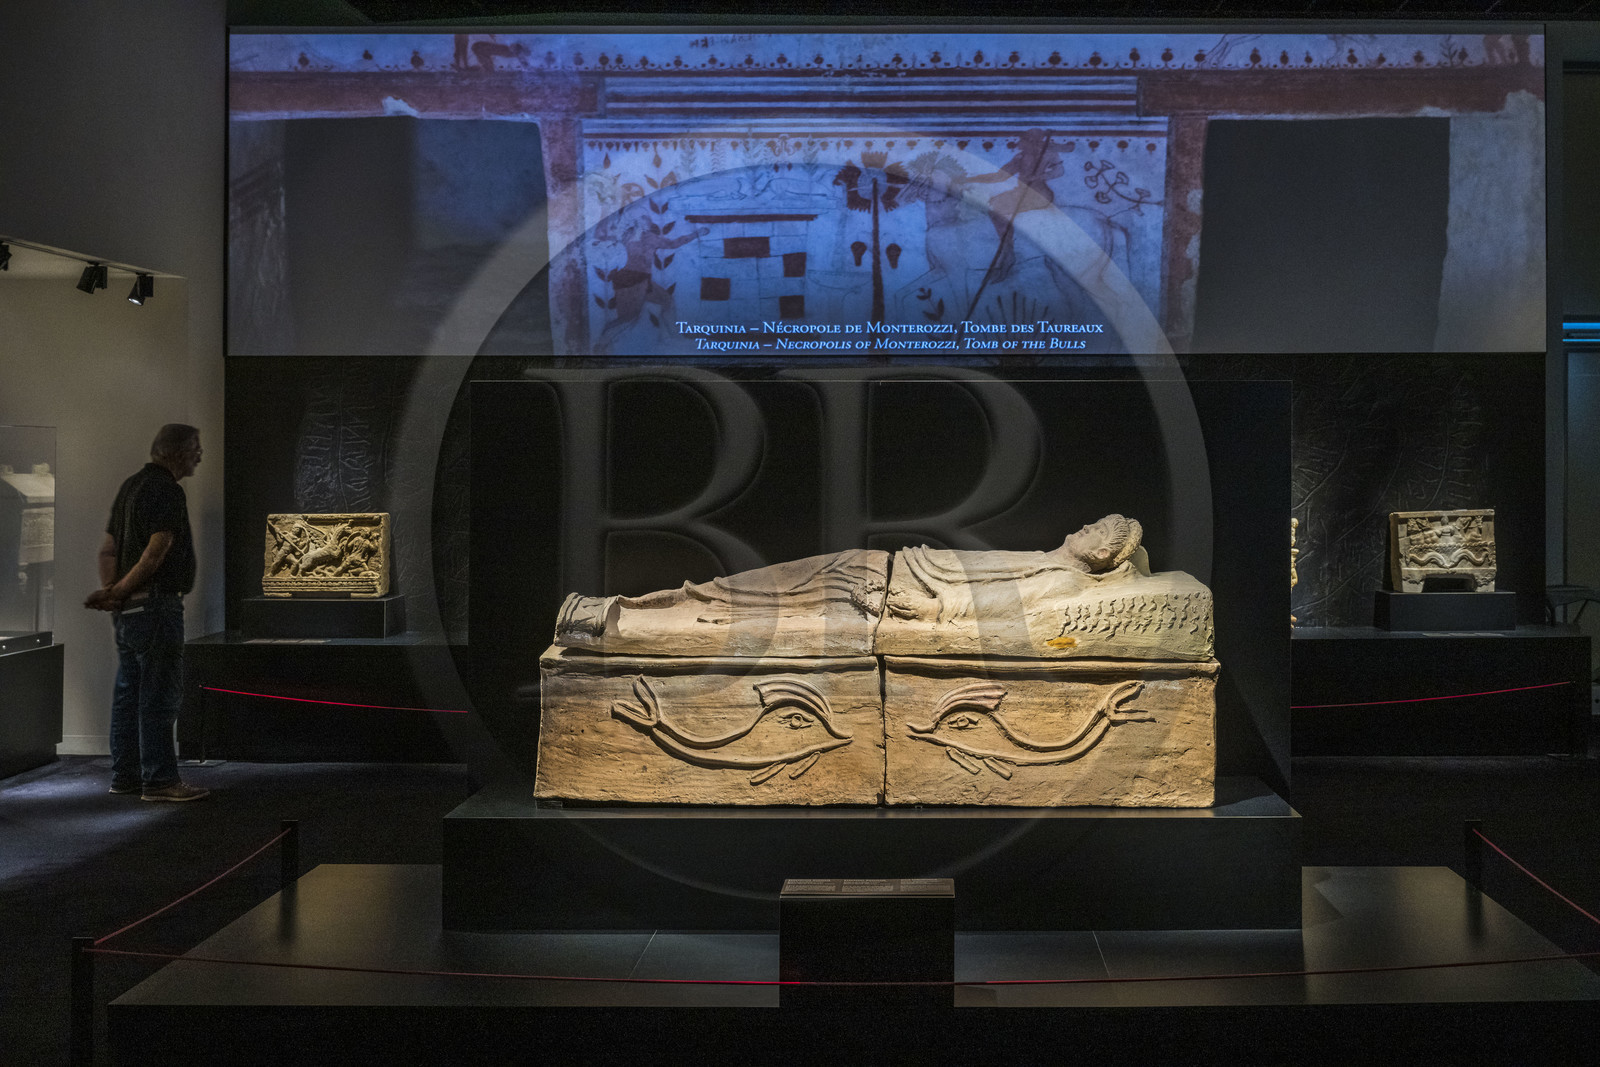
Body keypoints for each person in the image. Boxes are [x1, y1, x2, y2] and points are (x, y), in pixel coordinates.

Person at [84, 425, 210, 801]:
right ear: (177, 452)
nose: (200, 455)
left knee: (129, 694)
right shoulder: (166, 490)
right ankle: (159, 781)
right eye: (196, 448)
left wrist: (116, 596)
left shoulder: (130, 487)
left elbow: (108, 550)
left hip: (131, 612)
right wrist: (121, 591)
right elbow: (159, 548)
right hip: (156, 606)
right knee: (159, 695)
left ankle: (126, 777)